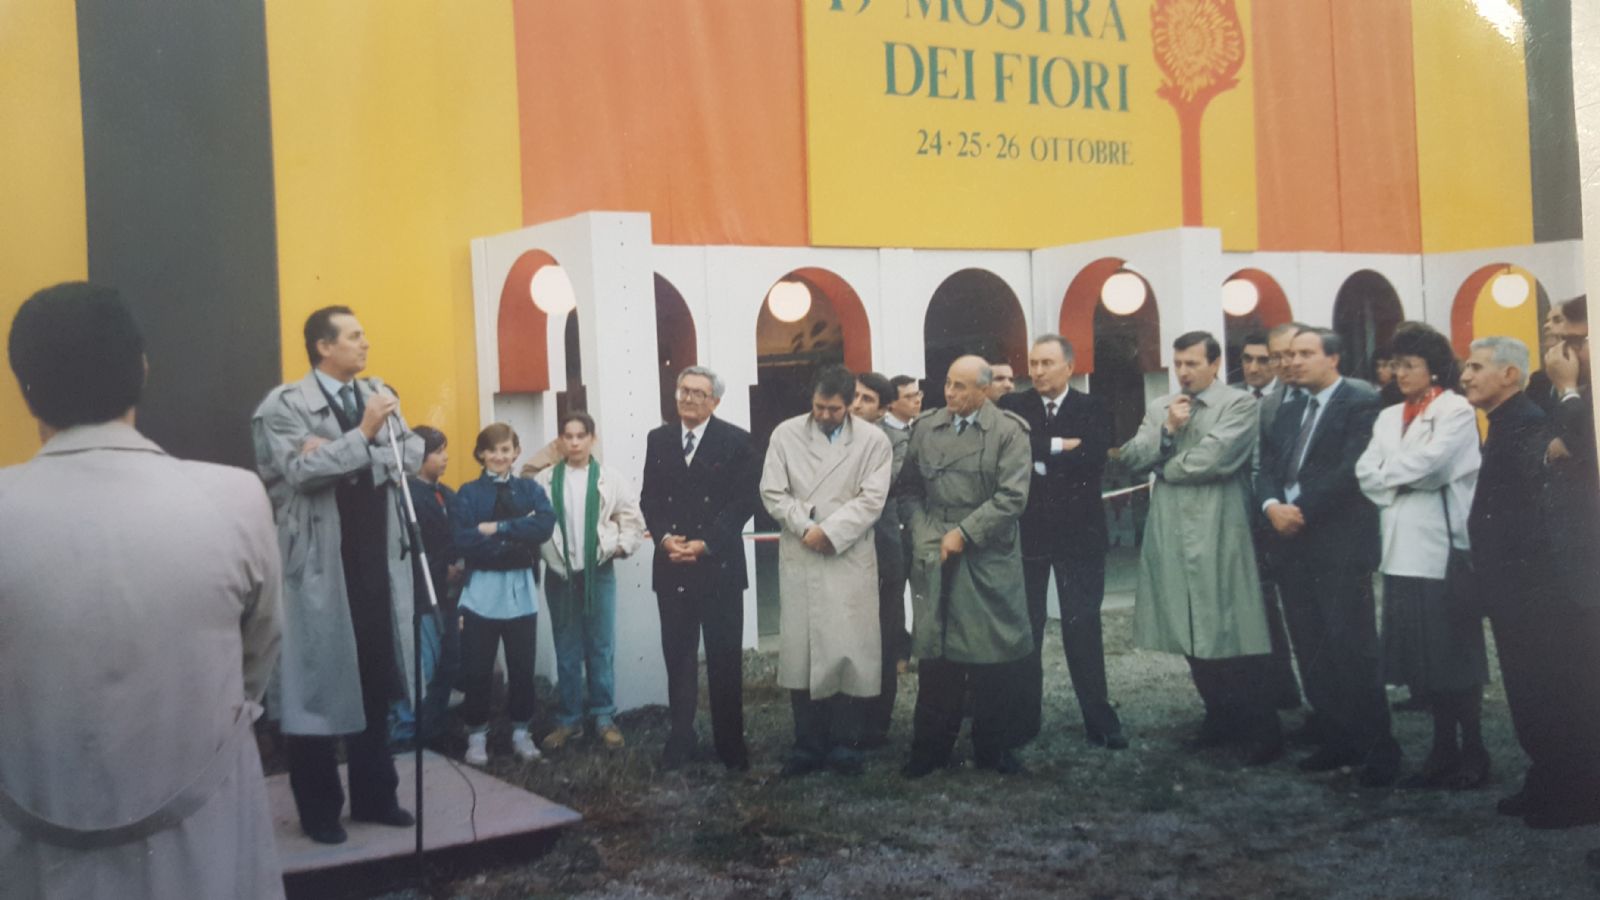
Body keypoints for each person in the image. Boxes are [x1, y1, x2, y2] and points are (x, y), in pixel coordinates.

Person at [1, 283, 283, 898]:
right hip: (202, 836)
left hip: (30, 841)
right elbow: (256, 662)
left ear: (24, 388)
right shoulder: (235, 496)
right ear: (143, 368)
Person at [252, 305, 422, 845]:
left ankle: (376, 797)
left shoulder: (376, 392)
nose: (365, 343)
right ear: (324, 347)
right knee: (316, 687)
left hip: (373, 560)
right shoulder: (283, 406)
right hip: (319, 565)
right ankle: (319, 810)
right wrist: (365, 436)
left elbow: (413, 453)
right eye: (354, 335)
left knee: (375, 680)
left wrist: (342, 451)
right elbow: (299, 472)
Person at [1120, 332, 1281, 765]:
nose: (1184, 372)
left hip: (1219, 522)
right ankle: (1219, 716)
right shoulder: (1162, 407)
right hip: (1172, 526)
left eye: (1192, 363)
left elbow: (1216, 458)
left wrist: (1164, 467)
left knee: (1231, 623)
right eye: (1178, 364)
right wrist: (1168, 430)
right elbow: (1132, 457)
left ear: (1215, 363)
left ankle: (1261, 726)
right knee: (1187, 621)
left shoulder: (1238, 404)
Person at [1462, 336, 1600, 829]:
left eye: (1476, 367)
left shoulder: (1527, 421)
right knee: (1530, 693)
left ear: (1510, 375)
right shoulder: (1506, 420)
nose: (1465, 376)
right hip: (1515, 589)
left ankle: (1576, 795)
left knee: (1553, 693)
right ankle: (1548, 780)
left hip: (1536, 590)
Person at [1258, 327, 1400, 787]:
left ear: (1333, 359)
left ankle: (1378, 749)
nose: (1294, 361)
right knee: (1311, 646)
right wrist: (1271, 506)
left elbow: (1351, 469)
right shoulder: (1289, 408)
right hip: (1290, 543)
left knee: (1352, 647)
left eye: (1306, 353)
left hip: (1337, 544)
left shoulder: (1359, 403)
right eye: (1291, 354)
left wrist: (1300, 510)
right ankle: (1336, 736)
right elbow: (1268, 466)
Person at [1354, 324, 1488, 789]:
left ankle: (1474, 749)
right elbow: (1364, 471)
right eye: (1396, 364)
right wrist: (1399, 481)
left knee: (1453, 656)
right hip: (1399, 549)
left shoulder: (1455, 410)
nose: (1400, 373)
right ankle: (1441, 747)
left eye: (1410, 365)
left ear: (1434, 368)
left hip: (1440, 548)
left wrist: (1390, 478)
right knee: (1421, 662)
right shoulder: (1389, 416)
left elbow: (1434, 468)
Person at [897, 355, 1033, 777]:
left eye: (961, 386)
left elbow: (1012, 498)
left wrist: (964, 533)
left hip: (987, 553)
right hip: (934, 548)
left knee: (991, 654)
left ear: (984, 390)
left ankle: (993, 748)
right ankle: (929, 750)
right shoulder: (926, 428)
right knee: (937, 656)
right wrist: (923, 531)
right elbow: (909, 489)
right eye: (948, 384)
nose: (950, 393)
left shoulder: (1008, 432)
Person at [761, 366, 894, 776]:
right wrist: (806, 527)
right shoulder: (785, 434)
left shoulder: (874, 441)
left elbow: (872, 499)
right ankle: (807, 743)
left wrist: (832, 532)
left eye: (833, 409)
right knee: (803, 648)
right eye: (818, 407)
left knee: (848, 647)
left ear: (850, 404)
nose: (824, 415)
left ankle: (845, 743)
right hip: (802, 549)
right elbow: (772, 491)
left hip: (847, 553)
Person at [999, 335, 1125, 749]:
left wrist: (1041, 457)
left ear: (1069, 367)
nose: (1037, 371)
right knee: (1027, 627)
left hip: (1080, 535)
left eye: (1047, 363)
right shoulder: (1014, 405)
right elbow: (1011, 450)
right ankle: (1023, 720)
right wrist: (1059, 446)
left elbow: (1093, 457)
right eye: (1033, 363)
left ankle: (1099, 720)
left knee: (1082, 625)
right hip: (1030, 534)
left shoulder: (1093, 407)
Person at [640, 366, 759, 771]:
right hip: (672, 564)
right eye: (683, 391)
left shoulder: (737, 441)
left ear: (715, 401)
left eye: (698, 393)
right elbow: (649, 500)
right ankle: (681, 737)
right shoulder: (659, 439)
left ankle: (730, 744)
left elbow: (744, 502)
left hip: (718, 565)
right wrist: (663, 539)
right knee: (678, 658)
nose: (688, 399)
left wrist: (707, 543)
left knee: (724, 659)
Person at [534, 412, 646, 752]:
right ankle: (569, 719)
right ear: (560, 441)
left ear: (592, 439)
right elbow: (531, 519)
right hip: (561, 574)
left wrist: (622, 546)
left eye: (580, 436)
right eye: (567, 436)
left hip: (598, 573)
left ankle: (603, 717)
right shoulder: (544, 480)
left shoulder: (609, 479)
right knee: (566, 648)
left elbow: (631, 516)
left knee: (600, 646)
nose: (574, 443)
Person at [452, 423, 557, 766]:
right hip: (481, 592)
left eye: (505, 450)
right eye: (492, 450)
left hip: (520, 592)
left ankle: (521, 733)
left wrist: (498, 528)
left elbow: (544, 525)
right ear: (481, 453)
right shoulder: (468, 493)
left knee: (522, 667)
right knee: (478, 669)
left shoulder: (529, 489)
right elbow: (463, 538)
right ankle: (477, 736)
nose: (499, 456)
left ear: (516, 453)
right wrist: (512, 545)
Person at [1240, 329, 1302, 711]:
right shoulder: (1238, 400)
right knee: (1259, 604)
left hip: (1284, 512)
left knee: (1295, 605)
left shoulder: (1288, 399)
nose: (1254, 367)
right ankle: (1278, 687)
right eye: (1247, 359)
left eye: (1264, 360)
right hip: (1246, 514)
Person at [853, 371, 911, 746]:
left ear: (883, 409)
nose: (856, 405)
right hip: (844, 552)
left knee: (884, 637)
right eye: (854, 396)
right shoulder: (834, 436)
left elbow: (878, 489)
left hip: (882, 549)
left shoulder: (896, 442)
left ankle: (877, 724)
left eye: (867, 400)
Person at [407, 426, 466, 747]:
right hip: (422, 597)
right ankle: (417, 733)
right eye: (438, 451)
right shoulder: (408, 496)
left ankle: (437, 728)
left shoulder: (448, 494)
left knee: (449, 662)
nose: (445, 458)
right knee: (425, 666)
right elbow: (410, 550)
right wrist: (440, 570)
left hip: (449, 597)